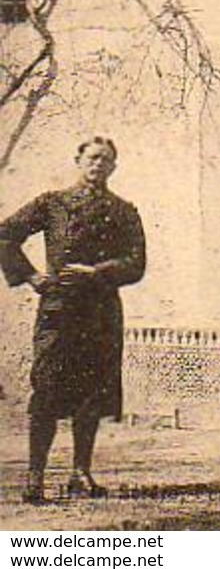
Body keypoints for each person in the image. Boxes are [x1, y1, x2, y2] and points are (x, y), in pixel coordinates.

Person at [0, 137, 147, 504]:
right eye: (92, 158)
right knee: (47, 389)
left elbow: (136, 264)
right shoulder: (53, 203)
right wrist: (32, 277)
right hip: (59, 310)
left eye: (106, 160)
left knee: (92, 394)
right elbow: (5, 235)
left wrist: (98, 272)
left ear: (114, 167)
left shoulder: (125, 211)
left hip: (100, 312)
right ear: (78, 161)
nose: (98, 164)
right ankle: (34, 477)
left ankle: (80, 473)